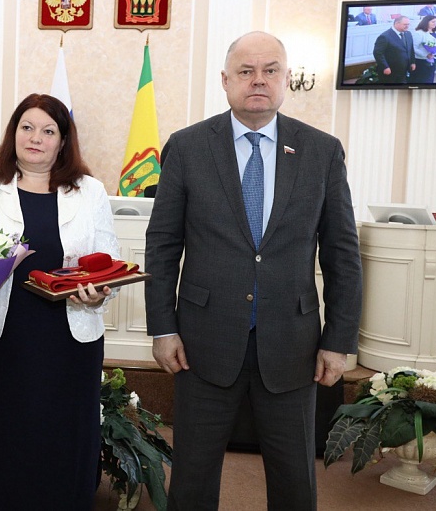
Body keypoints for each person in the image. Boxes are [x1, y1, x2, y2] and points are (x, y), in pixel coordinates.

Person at [145, 32, 362, 511]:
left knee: (294, 480)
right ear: (226, 81)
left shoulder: (322, 151)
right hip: (201, 343)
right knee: (192, 478)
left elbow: (342, 253)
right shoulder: (187, 147)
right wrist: (162, 328)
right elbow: (162, 246)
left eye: (270, 70)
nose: (258, 80)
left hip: (293, 345)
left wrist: (339, 339)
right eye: (246, 71)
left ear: (287, 79)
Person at [0, 93, 120, 510]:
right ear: (14, 133)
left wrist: (99, 293)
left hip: (70, 336)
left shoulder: (91, 192)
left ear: (62, 141)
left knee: (65, 430)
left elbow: (109, 262)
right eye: (27, 127)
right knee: (5, 428)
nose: (35, 138)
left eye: (48, 131)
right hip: (4, 334)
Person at [373, 15, 415, 83]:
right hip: (390, 71)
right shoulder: (385, 36)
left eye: (408, 24)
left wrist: (412, 62)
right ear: (397, 23)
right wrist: (385, 67)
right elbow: (378, 53)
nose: (407, 26)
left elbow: (411, 49)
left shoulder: (408, 34)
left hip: (404, 71)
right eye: (405, 24)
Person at [410, 15, 436, 84]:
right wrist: (426, 55)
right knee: (421, 80)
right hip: (422, 61)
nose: (435, 23)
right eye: (433, 22)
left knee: (430, 79)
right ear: (426, 22)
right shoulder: (419, 33)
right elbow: (414, 47)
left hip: (433, 59)